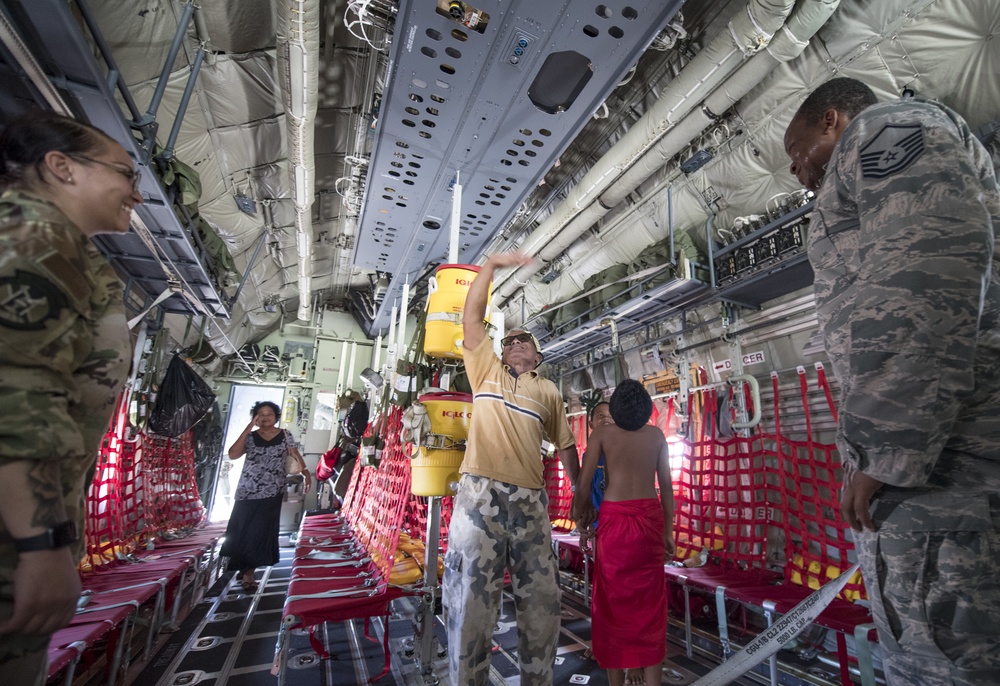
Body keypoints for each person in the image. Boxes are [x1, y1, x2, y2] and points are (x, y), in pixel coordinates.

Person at [784, 76, 1000, 685]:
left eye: (796, 154)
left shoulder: (883, 131)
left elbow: (926, 265)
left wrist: (890, 447)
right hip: (934, 477)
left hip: (946, 471)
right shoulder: (859, 170)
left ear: (830, 120)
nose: (798, 175)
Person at [0, 110, 143, 684]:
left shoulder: (63, 246)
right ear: (60, 167)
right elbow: (14, 389)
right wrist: (41, 545)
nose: (135, 190)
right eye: (123, 172)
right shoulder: (32, 233)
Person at [442, 252, 580, 686]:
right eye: (510, 340)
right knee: (470, 605)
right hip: (479, 499)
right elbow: (472, 317)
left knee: (541, 605)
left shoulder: (549, 393)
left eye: (525, 340)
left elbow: (567, 445)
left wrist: (579, 494)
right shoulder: (485, 371)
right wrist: (491, 267)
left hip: (530, 506)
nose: (516, 342)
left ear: (538, 356)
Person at [573, 379, 674, 686]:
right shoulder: (657, 436)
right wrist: (668, 532)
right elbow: (667, 488)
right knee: (650, 606)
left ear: (615, 409)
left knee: (611, 605)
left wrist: (582, 517)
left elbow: (583, 482)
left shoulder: (603, 433)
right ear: (646, 409)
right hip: (650, 521)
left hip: (614, 522)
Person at [220, 401, 311, 591]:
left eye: (269, 413)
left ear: (276, 416)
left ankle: (248, 573)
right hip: (247, 490)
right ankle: (245, 567)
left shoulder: (285, 435)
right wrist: (248, 428)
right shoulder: (251, 437)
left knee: (260, 531)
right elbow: (233, 454)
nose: (266, 417)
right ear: (255, 418)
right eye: (261, 414)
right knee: (243, 529)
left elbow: (294, 455)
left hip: (272, 490)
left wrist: (306, 473)